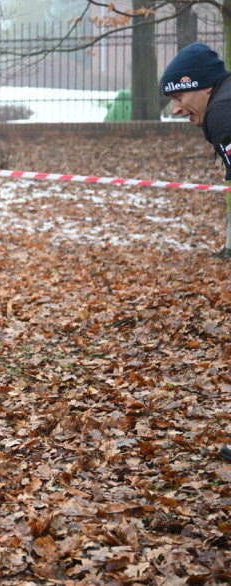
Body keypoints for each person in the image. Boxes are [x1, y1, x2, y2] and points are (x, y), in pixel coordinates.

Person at [160, 42, 231, 463]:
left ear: (201, 87)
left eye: (179, 98)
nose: (176, 110)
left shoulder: (223, 114)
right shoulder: (224, 103)